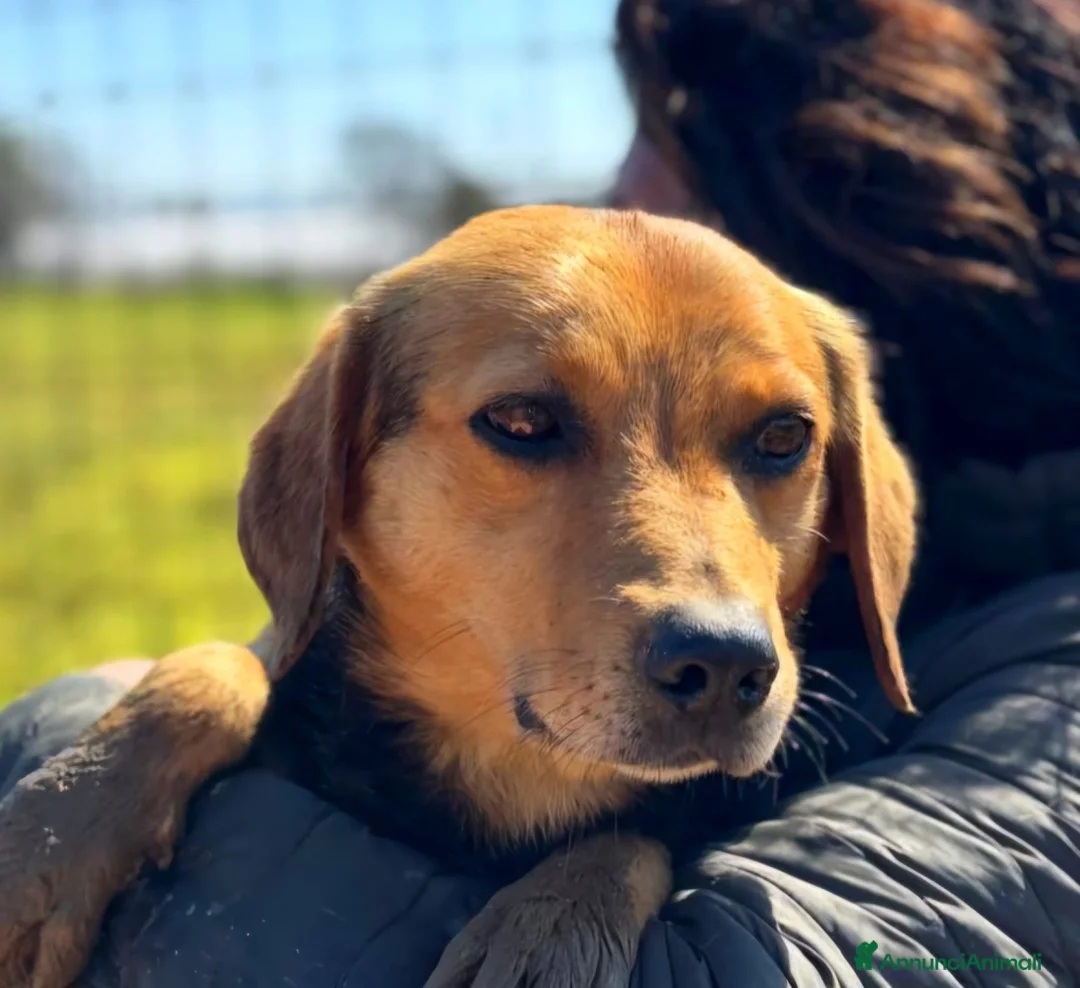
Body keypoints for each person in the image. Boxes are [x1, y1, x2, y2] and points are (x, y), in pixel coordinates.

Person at [3, 0, 1079, 983]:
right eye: (528, 427)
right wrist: (181, 704)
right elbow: (278, 659)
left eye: (775, 443)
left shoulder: (1016, 693)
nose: (713, 605)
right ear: (334, 476)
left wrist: (621, 869)